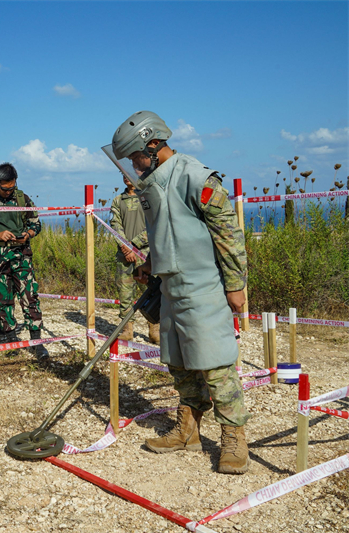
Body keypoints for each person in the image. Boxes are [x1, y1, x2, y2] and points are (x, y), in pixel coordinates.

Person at [110, 110, 250, 474]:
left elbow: (228, 234)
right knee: (178, 362)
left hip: (203, 287)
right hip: (171, 287)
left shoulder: (194, 175)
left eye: (136, 157)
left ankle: (235, 439)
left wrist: (236, 284)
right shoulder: (155, 182)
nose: (134, 165)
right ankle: (187, 430)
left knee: (216, 364)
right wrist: (149, 263)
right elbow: (167, 234)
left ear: (153, 144)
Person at [0, 163, 49, 359]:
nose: (8, 192)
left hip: (21, 255)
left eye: (11, 187)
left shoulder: (23, 199)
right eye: (4, 188)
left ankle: (37, 342)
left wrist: (28, 234)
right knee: (3, 300)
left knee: (30, 298)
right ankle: (10, 339)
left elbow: (35, 224)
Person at [110, 173, 157, 343]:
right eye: (122, 174)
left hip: (147, 255)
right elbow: (115, 225)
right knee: (125, 294)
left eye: (128, 173)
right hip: (125, 255)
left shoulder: (148, 197)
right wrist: (125, 246)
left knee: (152, 292)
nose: (126, 177)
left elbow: (154, 224)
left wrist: (134, 245)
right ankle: (126, 329)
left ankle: (155, 331)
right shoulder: (118, 200)